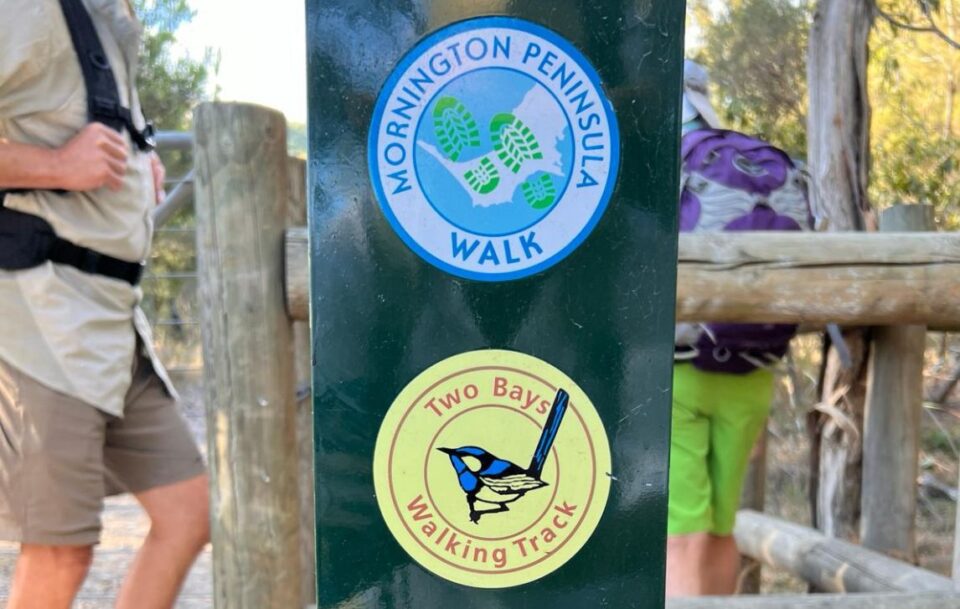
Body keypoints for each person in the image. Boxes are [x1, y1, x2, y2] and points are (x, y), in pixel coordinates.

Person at [0, 1, 209, 608]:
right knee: (60, 552)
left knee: (189, 510)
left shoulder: (99, 14)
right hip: (41, 318)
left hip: (113, 320)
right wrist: (56, 166)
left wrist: (139, 157)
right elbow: (61, 150)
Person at [666, 60, 806, 597]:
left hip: (676, 372)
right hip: (752, 370)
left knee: (681, 536)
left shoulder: (659, 158)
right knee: (723, 530)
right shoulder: (759, 158)